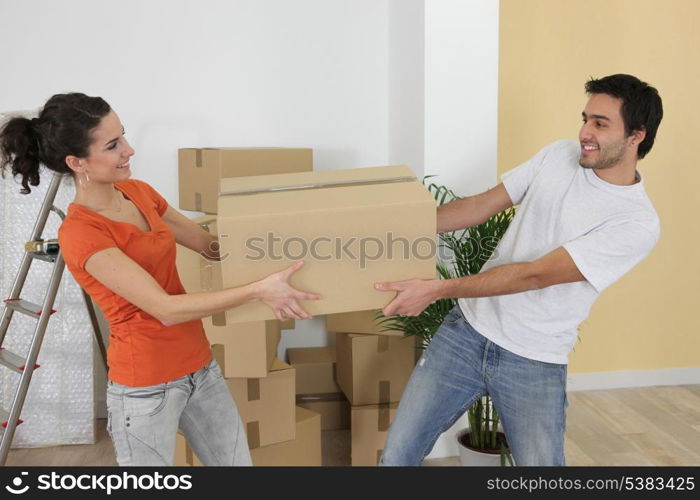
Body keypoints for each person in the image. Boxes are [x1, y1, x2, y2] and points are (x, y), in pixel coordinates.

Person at [0, 93, 321, 466]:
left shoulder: (139, 193)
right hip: (146, 387)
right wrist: (258, 290)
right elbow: (164, 309)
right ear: (77, 162)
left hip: (200, 367)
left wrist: (278, 240)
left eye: (124, 136)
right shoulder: (82, 232)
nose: (129, 149)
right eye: (113, 144)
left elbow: (210, 247)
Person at [374, 74, 663, 466]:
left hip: (534, 357)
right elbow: (480, 206)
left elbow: (535, 275)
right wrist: (396, 226)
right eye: (585, 118)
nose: (583, 132)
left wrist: (436, 289)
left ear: (636, 137)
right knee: (397, 454)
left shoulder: (635, 223)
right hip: (466, 333)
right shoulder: (558, 156)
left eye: (600, 123)